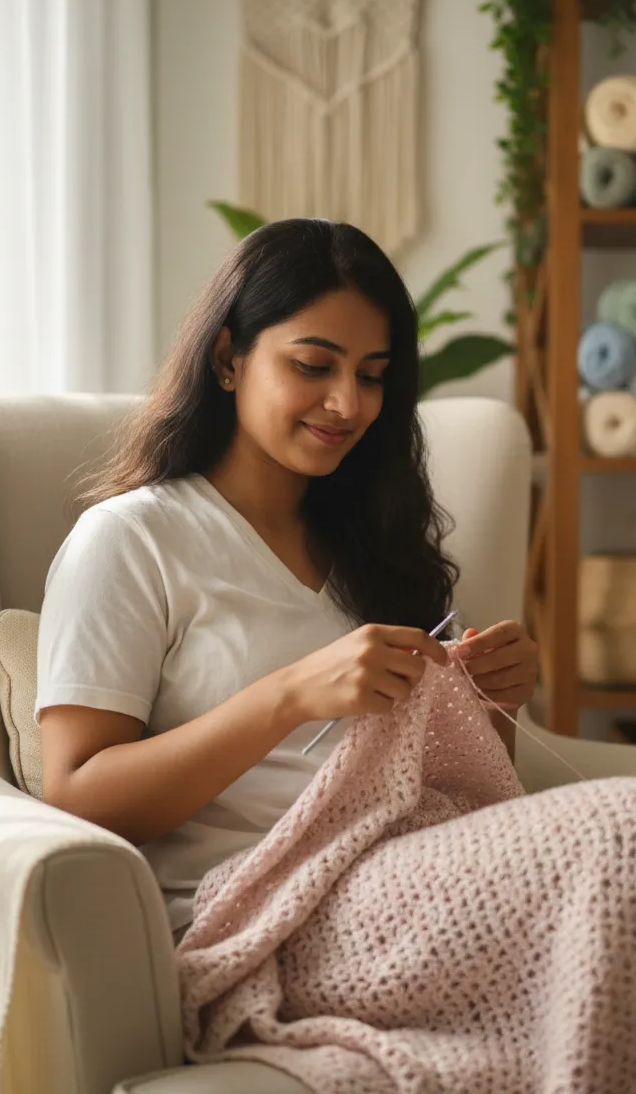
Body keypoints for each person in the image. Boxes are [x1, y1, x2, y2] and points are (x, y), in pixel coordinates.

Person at [35, 218, 539, 934]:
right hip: (262, 913)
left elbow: (461, 784)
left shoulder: (380, 547)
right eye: (313, 366)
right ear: (228, 358)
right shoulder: (132, 539)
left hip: (422, 882)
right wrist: (290, 695)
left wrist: (495, 701)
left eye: (372, 376)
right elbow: (76, 795)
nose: (349, 404)